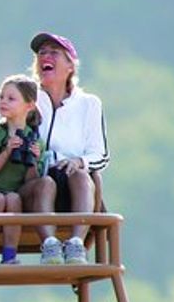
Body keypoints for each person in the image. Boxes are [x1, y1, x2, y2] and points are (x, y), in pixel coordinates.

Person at [21, 32, 109, 264]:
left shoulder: (89, 103)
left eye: (53, 53)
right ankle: (49, 246)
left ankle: (76, 244)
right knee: (46, 183)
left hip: (72, 185)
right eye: (41, 53)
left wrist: (78, 161)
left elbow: (100, 155)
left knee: (83, 175)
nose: (45, 57)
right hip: (36, 179)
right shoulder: (27, 95)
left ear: (70, 65)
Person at [0, 75, 46, 265]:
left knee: (13, 199)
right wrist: (6, 152)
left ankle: (9, 255)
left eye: (11, 99)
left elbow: (32, 181)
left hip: (13, 193)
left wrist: (33, 160)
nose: (3, 102)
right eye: (1, 97)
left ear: (29, 105)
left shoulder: (36, 139)